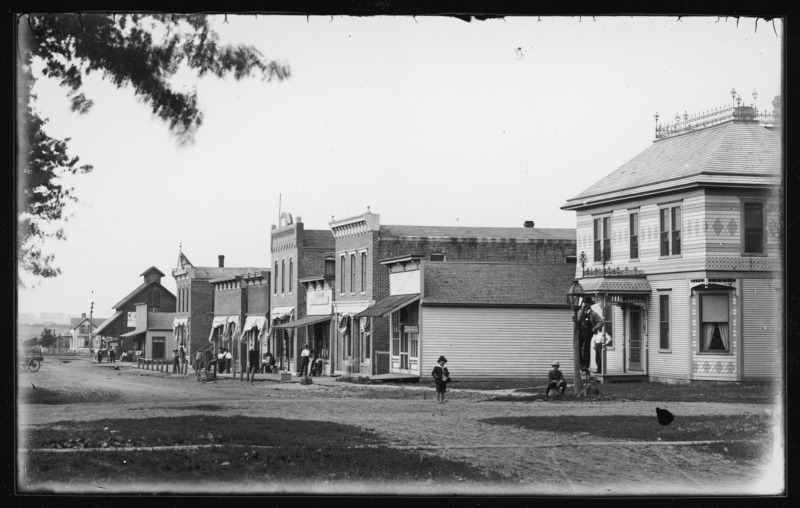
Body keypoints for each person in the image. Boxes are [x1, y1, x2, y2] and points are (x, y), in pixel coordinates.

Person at [577, 297, 604, 374]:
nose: (585, 304)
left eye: (587, 303)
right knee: (578, 347)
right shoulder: (581, 312)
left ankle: (586, 365)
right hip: (580, 331)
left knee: (586, 348)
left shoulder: (593, 314)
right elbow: (578, 321)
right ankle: (581, 364)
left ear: (590, 304)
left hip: (588, 332)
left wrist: (594, 328)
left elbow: (601, 322)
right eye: (585, 303)